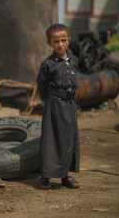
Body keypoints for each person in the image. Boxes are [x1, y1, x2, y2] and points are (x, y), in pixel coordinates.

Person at [36, 23, 80, 190]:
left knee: (68, 139)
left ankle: (65, 175)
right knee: (50, 138)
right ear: (49, 43)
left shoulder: (74, 60)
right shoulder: (48, 64)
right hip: (53, 104)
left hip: (70, 104)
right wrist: (48, 100)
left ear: (68, 41)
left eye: (63, 40)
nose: (60, 45)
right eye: (56, 42)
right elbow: (42, 84)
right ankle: (45, 176)